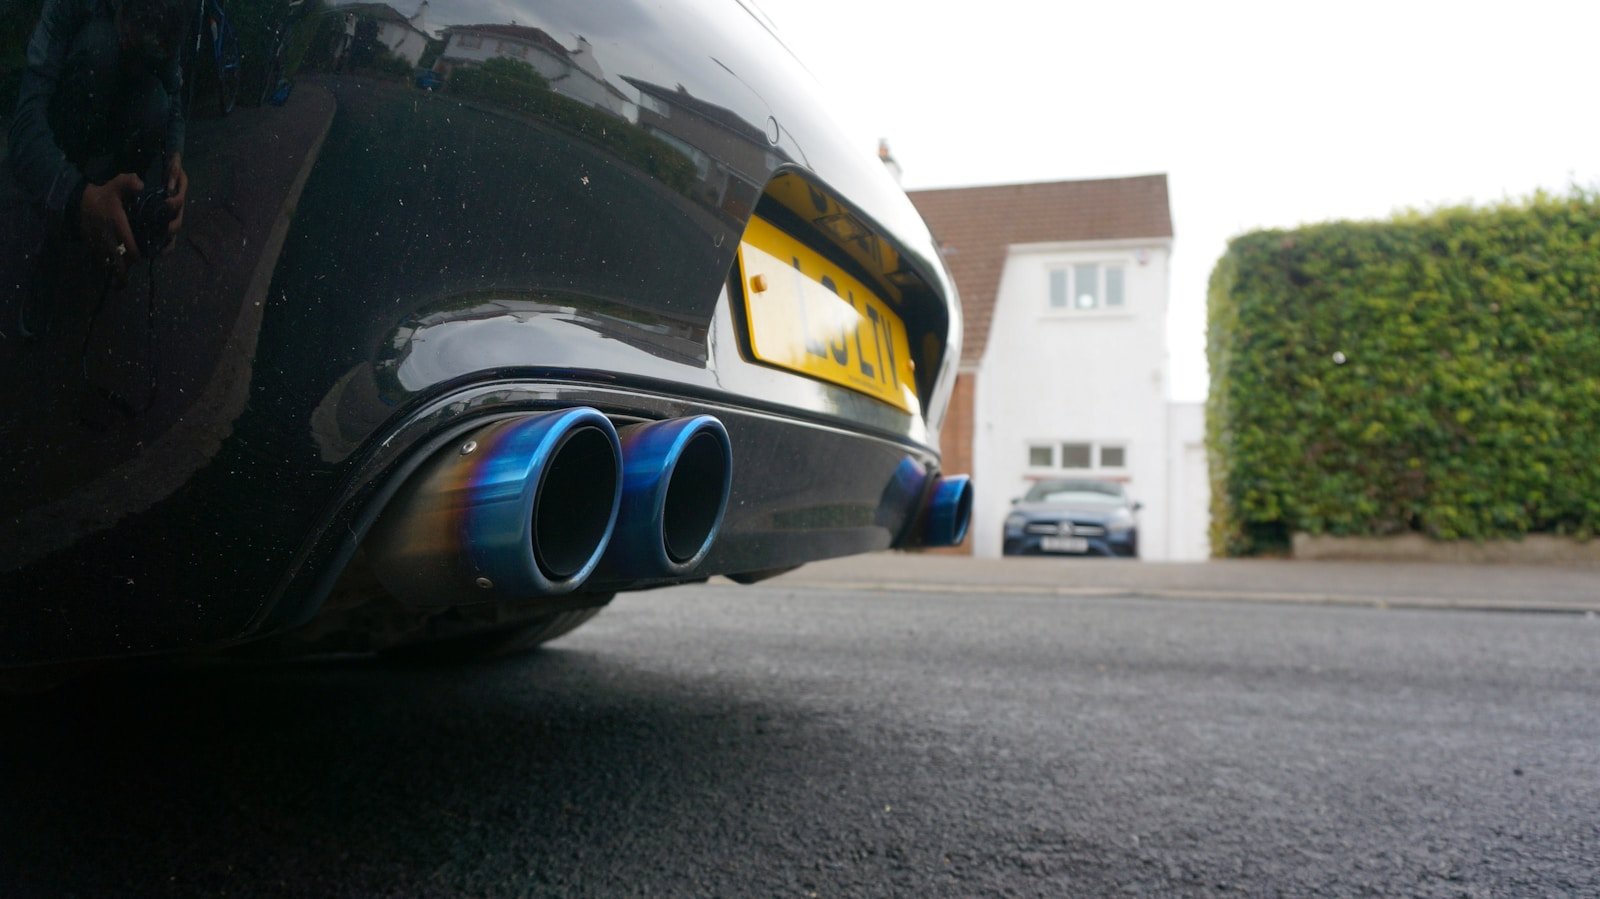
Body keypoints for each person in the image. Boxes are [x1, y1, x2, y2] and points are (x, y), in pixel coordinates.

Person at [6, 0, 190, 285]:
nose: (134, 67)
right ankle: (67, 218)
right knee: (99, 48)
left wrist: (174, 161)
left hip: (113, 121)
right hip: (67, 121)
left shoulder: (166, 12)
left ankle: (120, 210)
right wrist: (74, 197)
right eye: (130, 44)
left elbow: (173, 95)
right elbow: (24, 124)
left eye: (148, 56)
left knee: (158, 103)